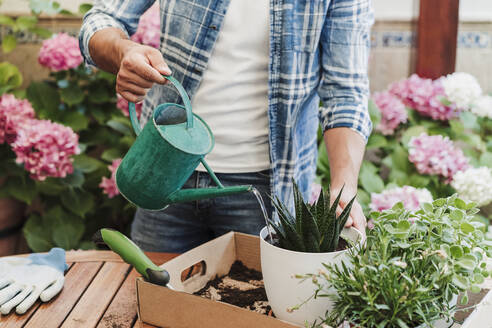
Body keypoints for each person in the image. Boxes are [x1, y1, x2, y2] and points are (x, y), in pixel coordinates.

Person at [79, 0, 374, 253]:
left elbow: (345, 91)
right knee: (156, 300)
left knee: (255, 316)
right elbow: (101, 20)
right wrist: (124, 52)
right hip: (166, 174)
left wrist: (343, 187)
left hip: (266, 190)